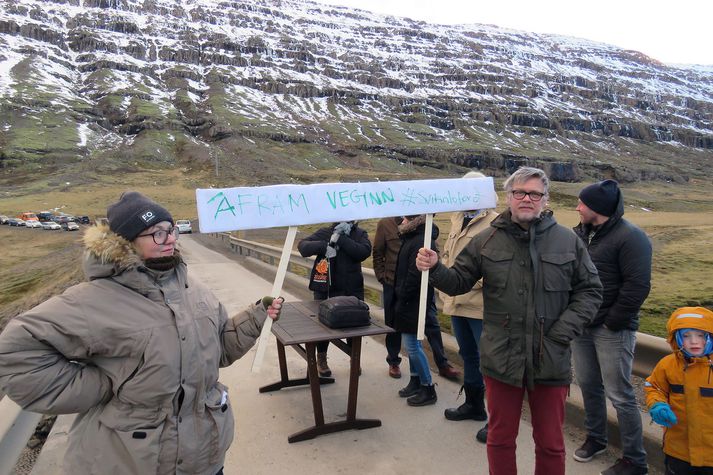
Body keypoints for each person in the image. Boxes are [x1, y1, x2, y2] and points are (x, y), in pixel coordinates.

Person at [0, 191, 282, 475]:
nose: (170, 238)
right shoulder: (94, 299)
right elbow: (16, 351)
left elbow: (219, 351)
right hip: (132, 463)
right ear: (127, 243)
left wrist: (256, 317)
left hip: (204, 459)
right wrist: (102, 385)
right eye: (157, 233)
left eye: (170, 230)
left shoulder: (194, 291)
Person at [416, 166, 602, 475]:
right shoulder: (487, 240)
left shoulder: (568, 241)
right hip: (501, 358)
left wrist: (560, 334)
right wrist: (435, 268)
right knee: (500, 439)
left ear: (545, 199)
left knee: (551, 443)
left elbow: (591, 292)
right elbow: (459, 281)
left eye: (534, 193)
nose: (527, 198)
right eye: (519, 192)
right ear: (508, 197)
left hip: (550, 360)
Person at [572, 179, 652, 475]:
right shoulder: (580, 233)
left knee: (620, 395)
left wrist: (611, 322)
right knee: (589, 386)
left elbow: (637, 286)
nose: (577, 207)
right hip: (581, 326)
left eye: (582, 203)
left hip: (612, 330)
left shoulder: (632, 237)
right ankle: (596, 439)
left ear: (598, 208)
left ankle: (635, 460)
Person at [439, 171, 498, 439]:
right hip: (456, 303)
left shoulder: (494, 224)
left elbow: (494, 268)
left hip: (480, 305)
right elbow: (448, 256)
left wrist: (462, 281)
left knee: (490, 362)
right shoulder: (457, 219)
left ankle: (497, 420)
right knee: (468, 355)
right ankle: (474, 405)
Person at [373, 216, 460, 380]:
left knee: (431, 323)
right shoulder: (385, 223)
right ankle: (394, 361)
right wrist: (382, 277)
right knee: (394, 325)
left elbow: (435, 251)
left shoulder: (423, 225)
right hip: (393, 283)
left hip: (421, 284)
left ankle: (442, 364)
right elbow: (377, 252)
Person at [644, 307, 713, 475]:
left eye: (700, 336)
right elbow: (654, 387)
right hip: (678, 450)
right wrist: (657, 404)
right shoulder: (668, 365)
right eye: (686, 336)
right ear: (676, 338)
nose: (694, 342)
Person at [298, 220, 371, 377]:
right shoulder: (324, 232)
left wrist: (342, 239)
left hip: (351, 289)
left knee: (354, 325)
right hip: (325, 288)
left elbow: (363, 252)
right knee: (322, 327)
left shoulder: (360, 234)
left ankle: (354, 359)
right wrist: (324, 246)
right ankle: (321, 358)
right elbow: (303, 247)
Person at [392, 214, 439, 406]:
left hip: (413, 301)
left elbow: (415, 274)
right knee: (410, 344)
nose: (401, 221)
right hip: (408, 299)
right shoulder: (413, 238)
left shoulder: (422, 240)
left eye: (405, 218)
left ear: (414, 221)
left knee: (412, 345)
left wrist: (402, 294)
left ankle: (428, 387)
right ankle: (415, 380)